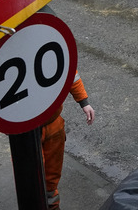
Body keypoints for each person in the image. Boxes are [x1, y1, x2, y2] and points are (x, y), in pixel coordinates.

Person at [41, 74, 96, 210]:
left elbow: (70, 73)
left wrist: (84, 102)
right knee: (32, 180)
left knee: (51, 178)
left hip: (53, 125)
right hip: (26, 134)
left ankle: (53, 207)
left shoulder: (53, 52)